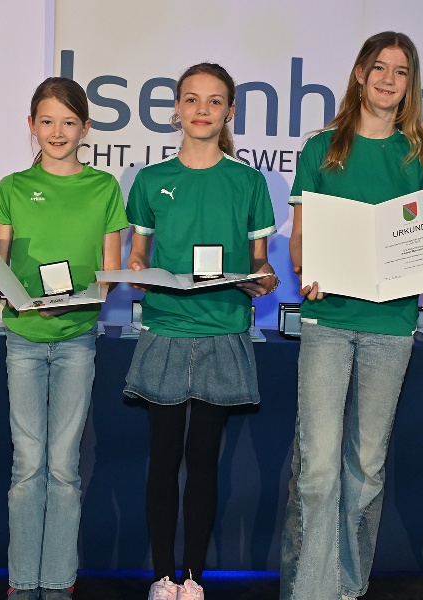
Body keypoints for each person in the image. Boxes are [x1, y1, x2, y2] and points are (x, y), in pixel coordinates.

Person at [280, 31, 423, 600]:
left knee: (366, 469)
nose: (389, 79)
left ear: (410, 84)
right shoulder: (321, 148)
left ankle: (348, 586)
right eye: (379, 67)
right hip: (328, 321)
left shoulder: (419, 155)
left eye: (401, 71)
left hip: (392, 326)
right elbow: (300, 241)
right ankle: (309, 590)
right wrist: (306, 267)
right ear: (360, 73)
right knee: (317, 469)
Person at [123, 62, 278, 600]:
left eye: (215, 101)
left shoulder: (249, 181)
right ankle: (162, 577)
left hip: (223, 331)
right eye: (192, 99)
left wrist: (263, 278)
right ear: (176, 110)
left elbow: (260, 261)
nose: (202, 110)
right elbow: (138, 255)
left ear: (230, 111)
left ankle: (193, 578)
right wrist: (136, 271)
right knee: (164, 459)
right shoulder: (151, 180)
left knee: (205, 461)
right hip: (165, 329)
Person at [0, 77, 128, 600]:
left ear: (85, 128)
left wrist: (79, 298)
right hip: (23, 338)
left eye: (69, 122)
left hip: (77, 340)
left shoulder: (104, 188)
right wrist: (11, 288)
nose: (57, 131)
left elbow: (110, 272)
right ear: (31, 125)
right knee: (28, 464)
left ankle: (58, 579)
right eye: (46, 121)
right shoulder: (11, 187)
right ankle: (23, 581)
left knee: (63, 467)